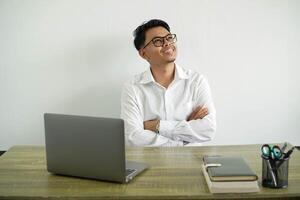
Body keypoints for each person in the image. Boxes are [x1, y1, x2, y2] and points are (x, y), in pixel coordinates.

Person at [121, 19, 216, 146]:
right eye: (158, 41)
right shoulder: (132, 87)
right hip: (152, 163)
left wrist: (157, 126)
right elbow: (132, 137)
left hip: (193, 162)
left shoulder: (196, 81)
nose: (167, 43)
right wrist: (182, 140)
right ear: (143, 53)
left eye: (169, 38)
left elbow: (208, 130)